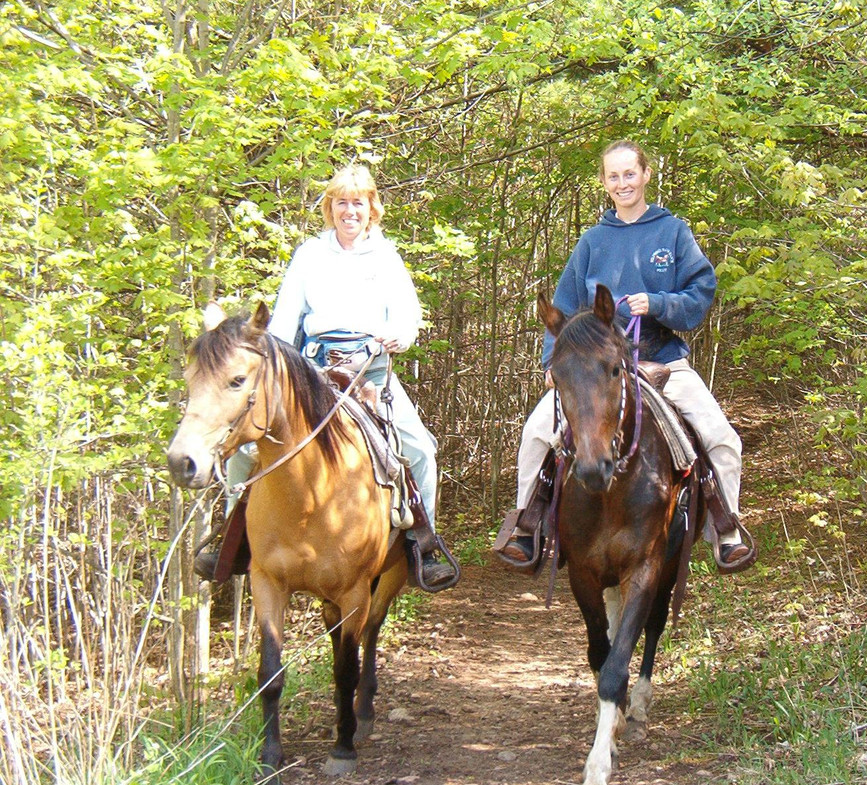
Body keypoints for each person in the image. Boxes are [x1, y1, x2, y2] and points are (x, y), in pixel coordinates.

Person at [195, 165, 458, 590]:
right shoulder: (310, 255)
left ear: (371, 209)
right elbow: (285, 320)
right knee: (245, 442)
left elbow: (407, 316)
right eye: (341, 202)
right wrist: (277, 371)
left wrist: (400, 334)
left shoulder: (386, 257)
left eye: (358, 203)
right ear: (330, 208)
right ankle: (231, 537)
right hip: (312, 368)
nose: (349, 211)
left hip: (371, 368)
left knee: (420, 449)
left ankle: (421, 546)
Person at [497, 140, 749, 568]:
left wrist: (660, 303)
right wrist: (552, 363)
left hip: (661, 361)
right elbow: (563, 309)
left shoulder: (673, 232)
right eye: (613, 176)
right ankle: (528, 526)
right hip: (595, 371)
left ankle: (726, 530)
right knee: (537, 433)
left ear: (646, 174)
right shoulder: (592, 241)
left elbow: (700, 292)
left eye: (629, 173)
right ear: (604, 182)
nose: (622, 183)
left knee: (720, 437)